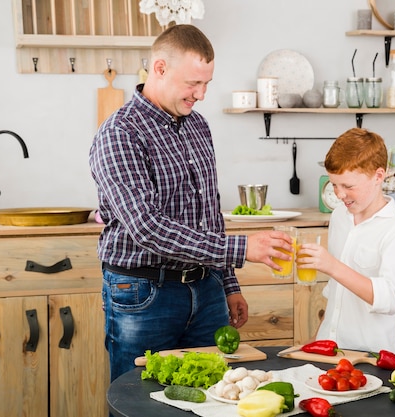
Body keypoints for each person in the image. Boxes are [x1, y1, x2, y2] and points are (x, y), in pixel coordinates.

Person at [88, 24, 293, 382]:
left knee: (214, 396)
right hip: (144, 295)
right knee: (141, 402)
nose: (200, 94)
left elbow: (209, 214)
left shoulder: (198, 126)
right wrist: (242, 249)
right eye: (192, 83)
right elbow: (148, 228)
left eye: (206, 84)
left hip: (206, 289)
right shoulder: (120, 133)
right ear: (160, 68)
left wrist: (229, 285)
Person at [296, 127, 395, 355]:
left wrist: (332, 265)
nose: (340, 195)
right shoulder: (339, 217)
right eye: (334, 185)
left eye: (348, 186)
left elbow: (390, 299)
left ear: (379, 176)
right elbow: (336, 294)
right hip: (331, 351)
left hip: (371, 357)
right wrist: (315, 341)